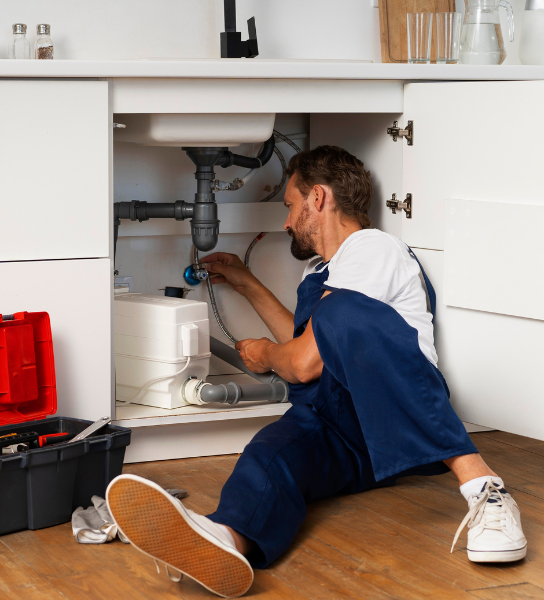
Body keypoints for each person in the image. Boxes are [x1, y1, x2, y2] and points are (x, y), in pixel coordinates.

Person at [106, 146, 527, 599]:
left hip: (398, 415)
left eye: (290, 205)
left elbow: (305, 361)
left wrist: (268, 354)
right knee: (271, 454)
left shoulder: (372, 248)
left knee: (339, 314)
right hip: (340, 430)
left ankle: (486, 489)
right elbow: (309, 343)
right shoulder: (321, 270)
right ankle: (226, 539)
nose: (287, 222)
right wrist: (247, 283)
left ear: (319, 198)